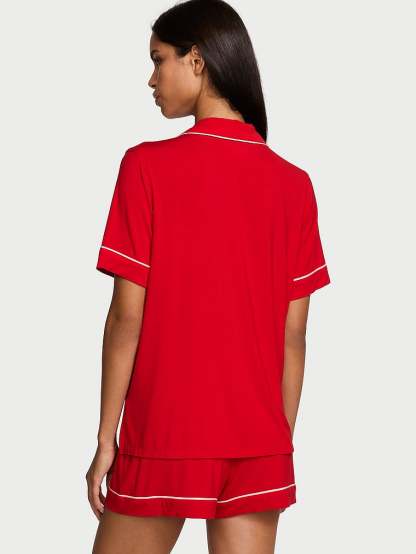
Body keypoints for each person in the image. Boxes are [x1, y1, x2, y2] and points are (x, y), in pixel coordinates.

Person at [86, 0, 331, 552]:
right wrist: (277, 445)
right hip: (259, 443)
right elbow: (293, 335)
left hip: (164, 435)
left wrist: (105, 439)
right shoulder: (294, 185)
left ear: (196, 60)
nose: (152, 79)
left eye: (159, 60)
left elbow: (126, 317)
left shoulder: (145, 167)